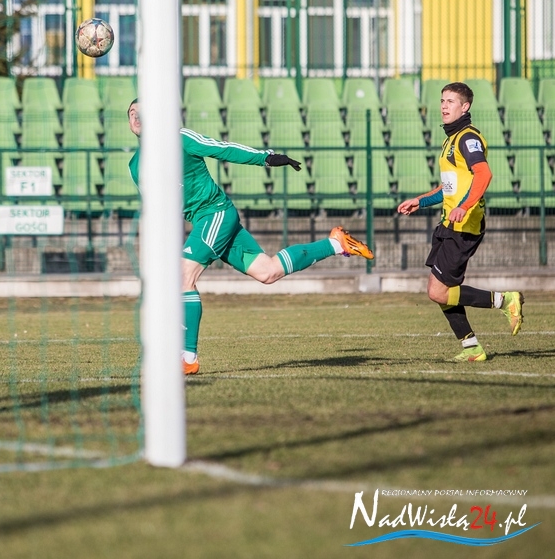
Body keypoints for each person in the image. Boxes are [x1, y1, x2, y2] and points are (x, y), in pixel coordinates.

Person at [126, 99, 374, 375]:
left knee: (183, 276)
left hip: (216, 213)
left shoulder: (180, 138)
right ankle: (336, 243)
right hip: (202, 223)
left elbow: (223, 149)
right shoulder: (136, 166)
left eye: (142, 111)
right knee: (268, 272)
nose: (136, 116)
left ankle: (187, 358)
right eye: (132, 113)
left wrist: (266, 157)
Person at [397, 82, 523, 362]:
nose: (444, 106)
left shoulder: (467, 138)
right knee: (440, 290)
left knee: (438, 291)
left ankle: (505, 301)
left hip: (464, 225)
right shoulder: (451, 140)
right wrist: (420, 201)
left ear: (465, 107)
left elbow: (484, 174)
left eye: (451, 101)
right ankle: (472, 348)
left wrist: (464, 207)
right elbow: (448, 188)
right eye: (442, 100)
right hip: (448, 224)